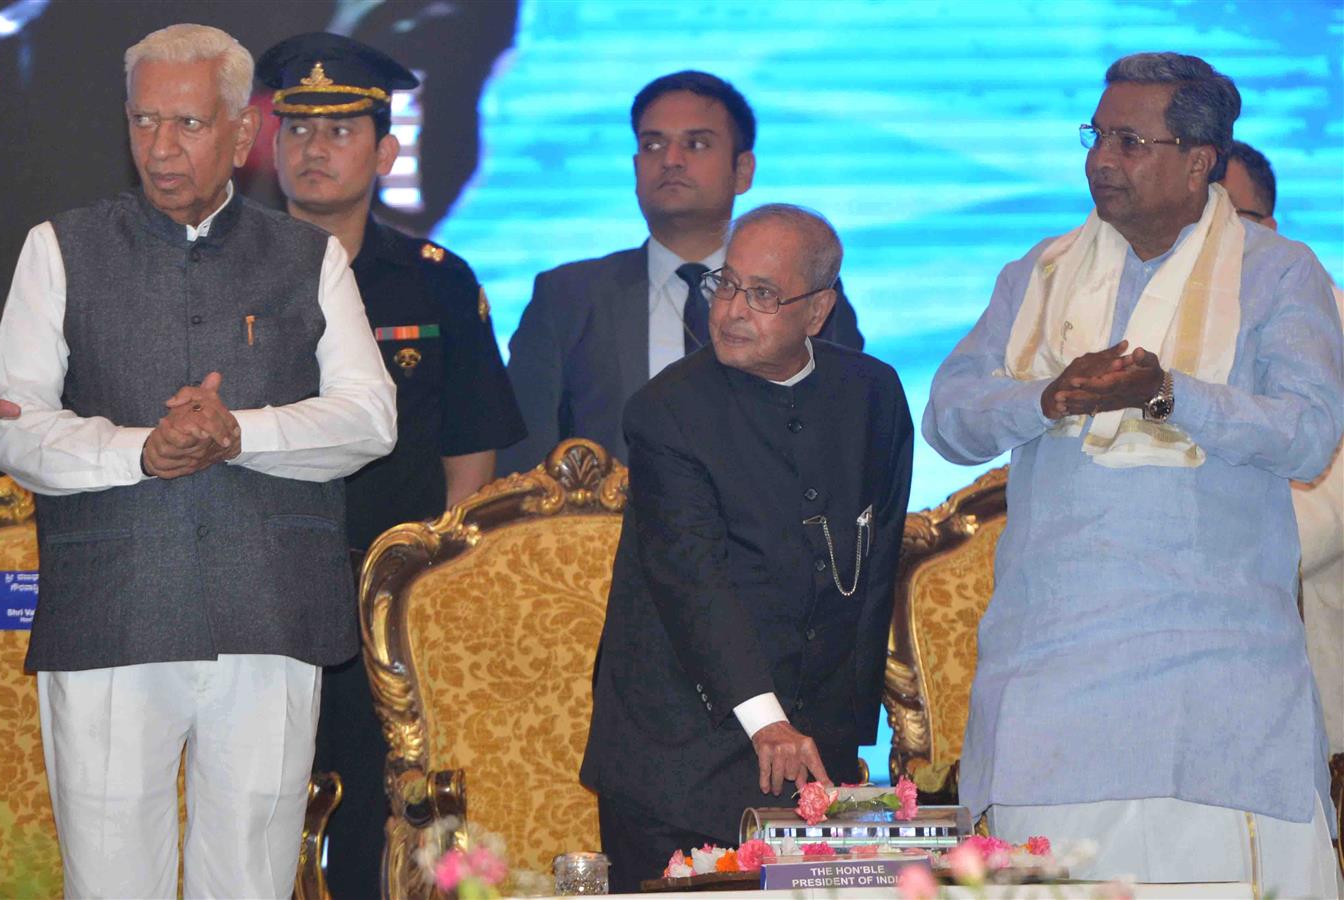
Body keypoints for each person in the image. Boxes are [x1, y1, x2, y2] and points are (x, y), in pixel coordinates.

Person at [0, 24, 396, 898]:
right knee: (109, 883)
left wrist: (239, 434)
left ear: (242, 135)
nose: (161, 148)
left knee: (249, 881)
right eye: (143, 123)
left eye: (186, 123)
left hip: (270, 612)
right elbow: (14, 431)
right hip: (111, 608)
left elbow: (370, 420)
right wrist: (141, 450)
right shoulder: (57, 248)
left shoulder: (310, 258)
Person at [922, 53, 1341, 894]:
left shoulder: (1279, 274)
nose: (1101, 159)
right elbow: (949, 420)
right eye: (1097, 135)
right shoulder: (1039, 273)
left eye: (1130, 141)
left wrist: (1170, 395)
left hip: (1214, 688)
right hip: (1052, 683)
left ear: (1199, 161)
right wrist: (1047, 397)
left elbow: (1309, 435)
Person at [256, 31, 527, 897]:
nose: (314, 149)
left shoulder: (436, 281)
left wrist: (436, 592)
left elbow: (469, 456)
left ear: (386, 151)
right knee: (254, 809)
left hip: (390, 601)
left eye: (339, 131)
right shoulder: (226, 278)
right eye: (297, 130)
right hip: (256, 590)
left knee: (391, 820)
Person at [580, 204, 913, 892]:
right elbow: (691, 579)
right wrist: (768, 723)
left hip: (810, 754)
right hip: (677, 753)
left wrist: (846, 738)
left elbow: (872, 572)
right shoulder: (667, 410)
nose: (732, 310)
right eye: (725, 285)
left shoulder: (871, 394)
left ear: (818, 311)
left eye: (762, 295)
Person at [500, 71, 864, 471]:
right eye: (653, 144)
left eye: (696, 144)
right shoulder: (567, 296)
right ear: (636, 168)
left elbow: (846, 438)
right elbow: (522, 465)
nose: (671, 160)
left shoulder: (801, 290)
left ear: (742, 171)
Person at [1223, 139, 1343, 759]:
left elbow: (1324, 513)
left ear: (1268, 228)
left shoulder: (1333, 324)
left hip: (1309, 661)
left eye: (1228, 217)